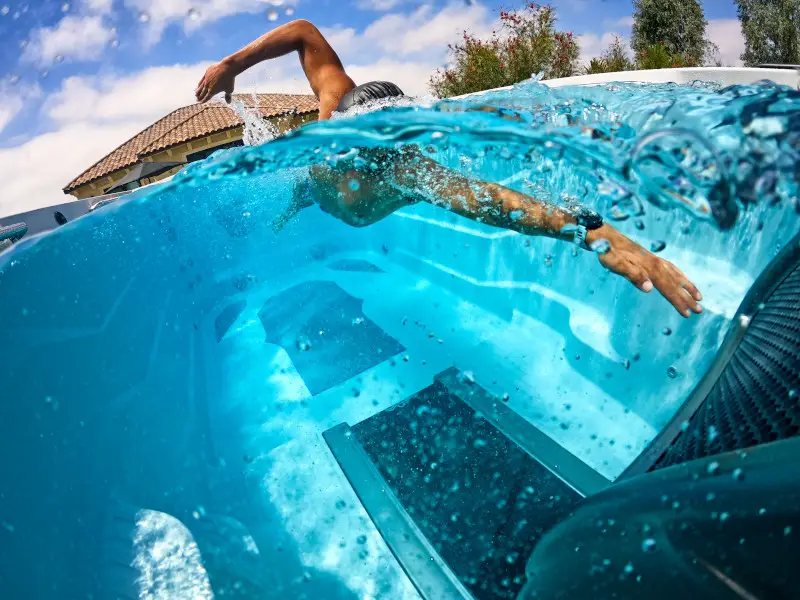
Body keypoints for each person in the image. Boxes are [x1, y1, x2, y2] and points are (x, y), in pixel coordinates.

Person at [195, 19, 703, 317]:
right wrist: (231, 64)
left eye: (374, 147)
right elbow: (303, 32)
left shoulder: (404, 169)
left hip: (340, 200)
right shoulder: (332, 112)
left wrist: (593, 231)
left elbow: (498, 203)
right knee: (299, 192)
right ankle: (288, 205)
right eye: (348, 144)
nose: (352, 154)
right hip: (311, 189)